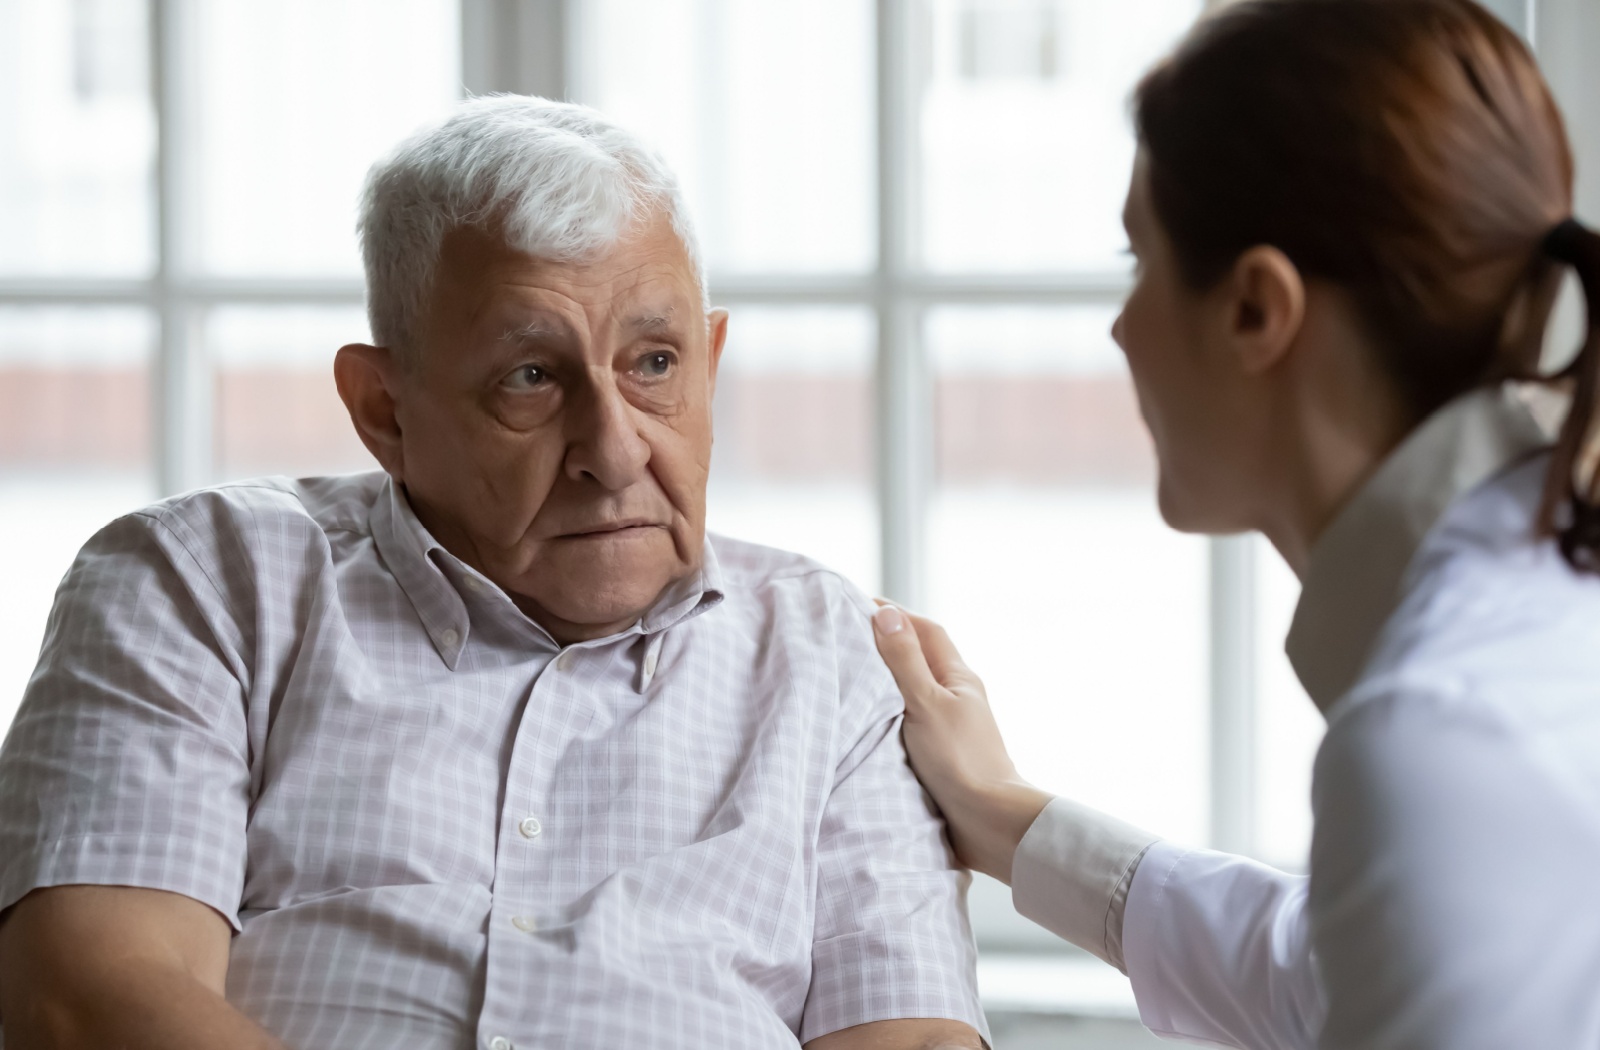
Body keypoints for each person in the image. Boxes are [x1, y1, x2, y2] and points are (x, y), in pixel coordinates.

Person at [0, 97, 987, 1050]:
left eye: (653, 365)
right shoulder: (201, 584)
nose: (615, 449)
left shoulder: (832, 655)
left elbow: (911, 1035)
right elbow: (90, 1000)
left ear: (710, 360)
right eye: (531, 377)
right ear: (383, 409)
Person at [870, 1, 1600, 1047]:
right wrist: (1004, 816)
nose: (1119, 328)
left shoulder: (1442, 732)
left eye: (1139, 263)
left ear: (1257, 309)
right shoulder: (1538, 592)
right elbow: (1324, 973)